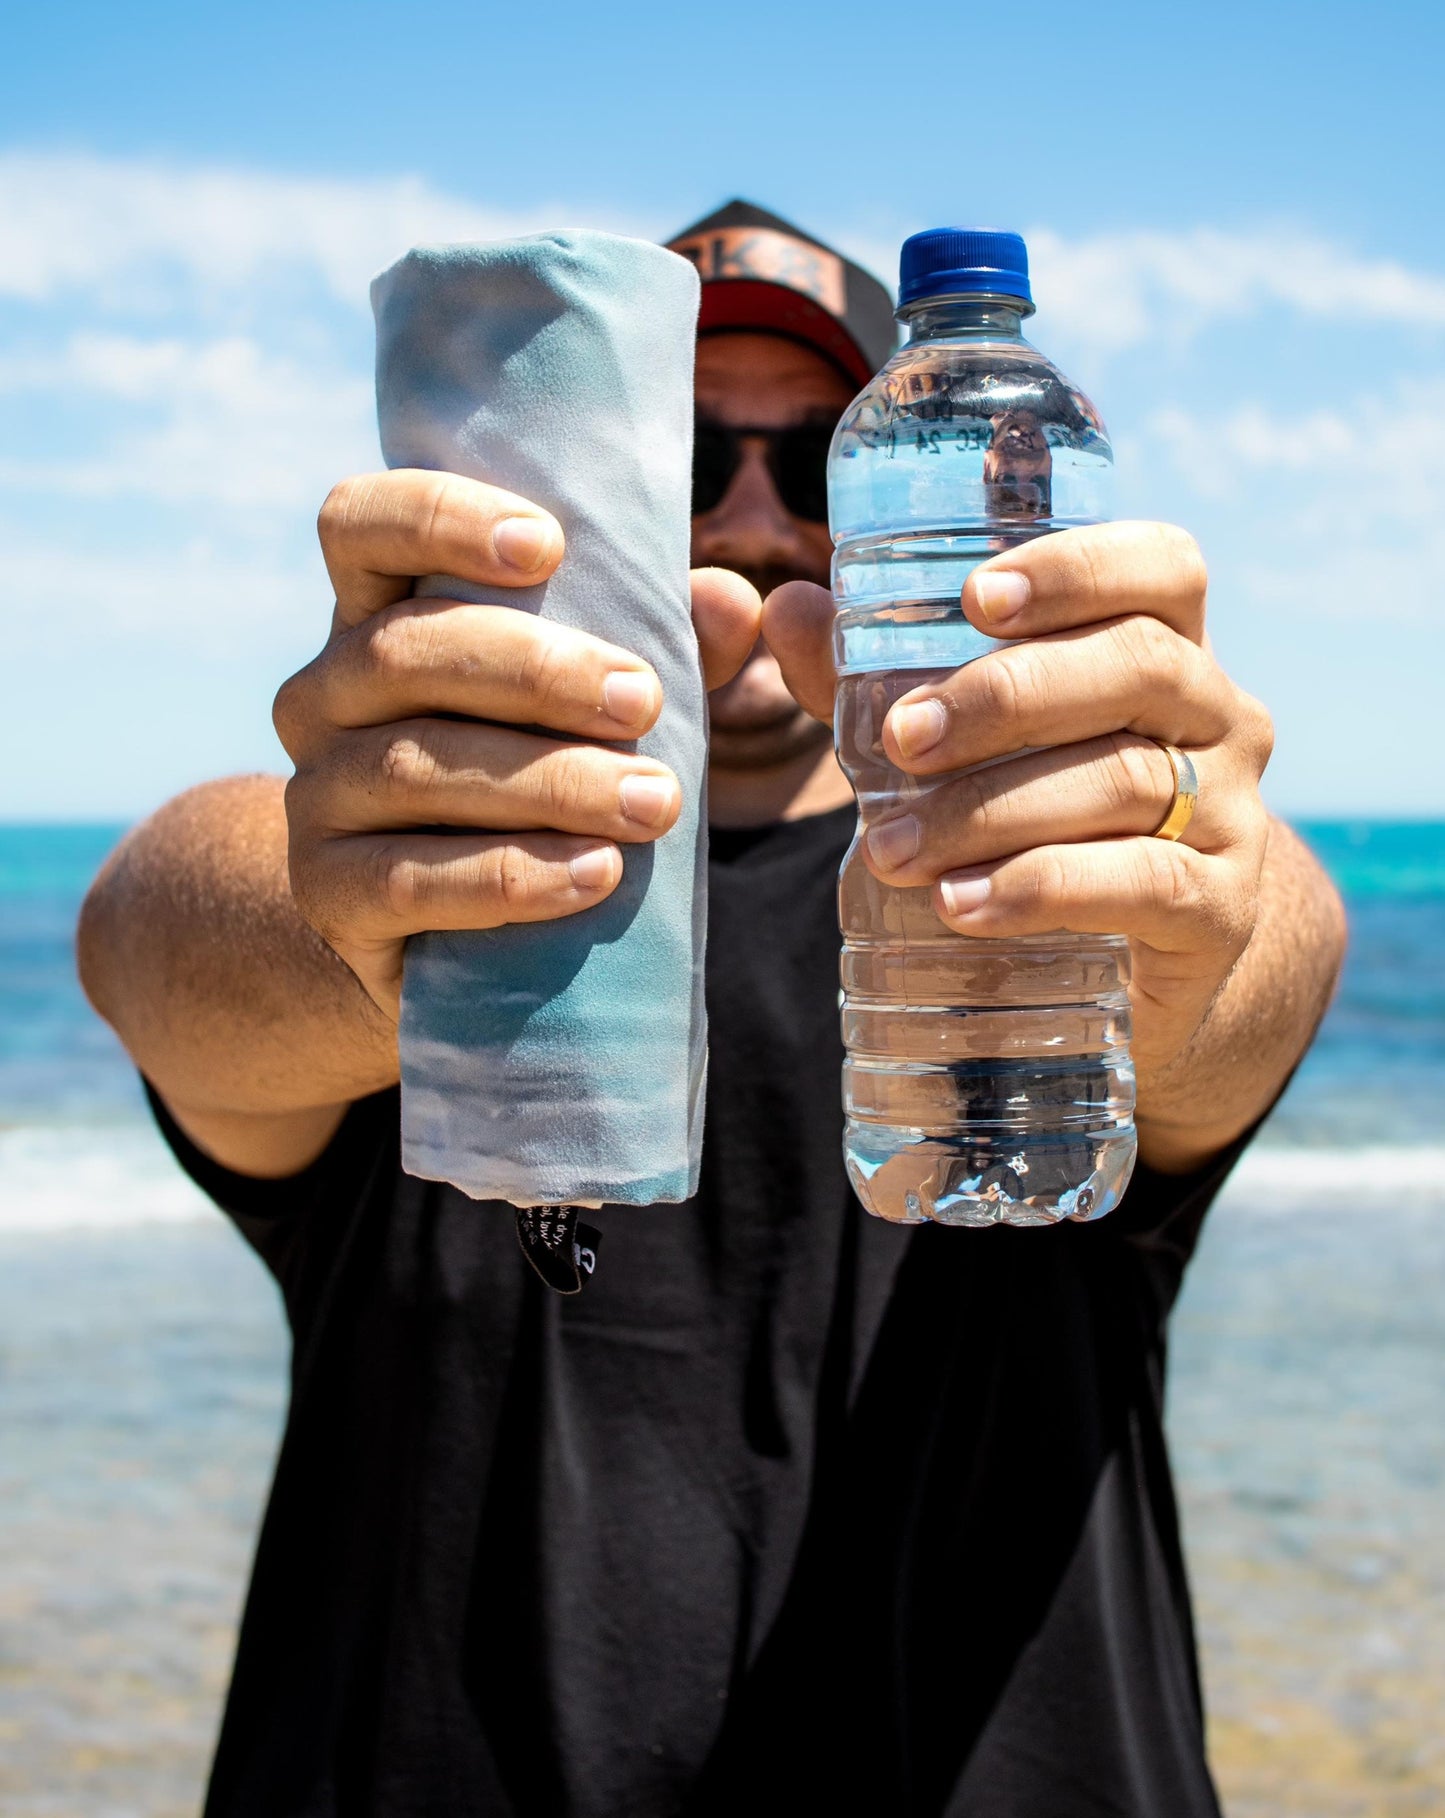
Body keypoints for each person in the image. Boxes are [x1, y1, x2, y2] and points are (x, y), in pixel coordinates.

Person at [78, 201, 1345, 1817]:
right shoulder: (441, 892)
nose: (749, 521)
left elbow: (1264, 954)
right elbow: (148, 938)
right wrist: (361, 919)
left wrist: (1185, 903)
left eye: (820, 464)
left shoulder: (1057, 884)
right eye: (677, 456)